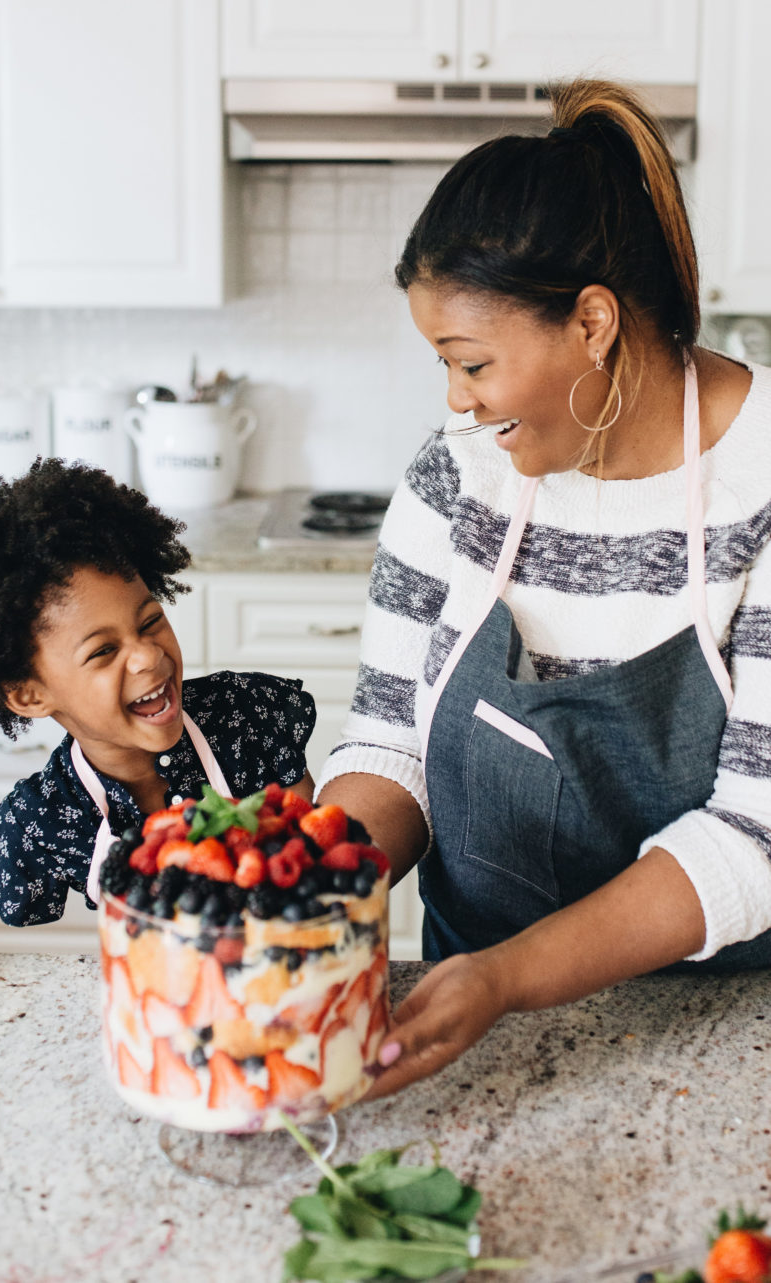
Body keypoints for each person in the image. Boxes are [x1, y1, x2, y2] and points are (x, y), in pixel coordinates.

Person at [316, 78, 771, 1098]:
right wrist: (305, 889)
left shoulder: (763, 483)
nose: (454, 400)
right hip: (460, 1016)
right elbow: (392, 737)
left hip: (706, 1039)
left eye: (470, 361)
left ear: (593, 323)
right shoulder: (460, 471)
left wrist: (511, 978)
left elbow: (758, 834)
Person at [0, 458, 316, 1011]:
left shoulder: (243, 715)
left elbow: (312, 847)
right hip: (166, 1020)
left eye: (150, 621)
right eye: (103, 651)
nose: (149, 655)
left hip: (296, 994)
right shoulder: (50, 814)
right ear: (31, 694)